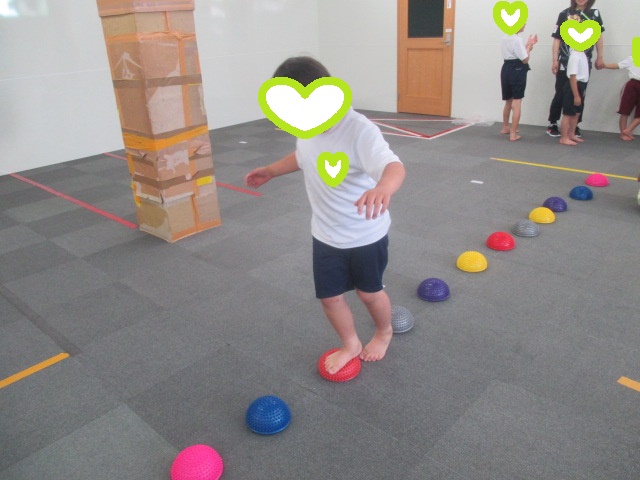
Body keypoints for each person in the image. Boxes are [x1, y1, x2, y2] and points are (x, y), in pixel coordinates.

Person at [245, 56, 406, 375]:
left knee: (368, 293)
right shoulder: (306, 127)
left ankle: (383, 332)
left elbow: (393, 165)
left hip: (365, 234)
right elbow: (303, 155)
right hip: (326, 234)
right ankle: (350, 343)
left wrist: (383, 187)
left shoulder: (359, 130)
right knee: (330, 298)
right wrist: (272, 170)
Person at [546, 0, 605, 138]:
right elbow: (557, 39)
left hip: (584, 61)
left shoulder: (595, 14)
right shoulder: (564, 14)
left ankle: (574, 125)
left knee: (579, 93)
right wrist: (555, 60)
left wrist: (600, 57)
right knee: (561, 92)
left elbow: (599, 37)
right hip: (565, 61)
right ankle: (553, 123)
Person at [500, 25, 538, 141]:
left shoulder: (505, 37)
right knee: (517, 102)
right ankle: (513, 133)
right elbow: (525, 59)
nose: (525, 25)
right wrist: (529, 47)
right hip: (517, 69)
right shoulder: (517, 39)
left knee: (508, 100)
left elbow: (516, 52)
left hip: (506, 68)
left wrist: (527, 45)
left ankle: (505, 127)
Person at [603, 56, 640, 141]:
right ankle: (623, 134)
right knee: (625, 111)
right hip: (632, 86)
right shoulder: (634, 58)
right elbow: (618, 65)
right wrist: (605, 65)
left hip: (632, 86)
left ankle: (627, 130)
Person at [559, 48, 589, 146]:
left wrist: (582, 90)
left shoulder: (582, 54)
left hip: (581, 85)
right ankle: (564, 137)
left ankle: (571, 134)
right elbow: (572, 77)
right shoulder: (575, 56)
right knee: (568, 113)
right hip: (573, 86)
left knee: (577, 112)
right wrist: (576, 95)